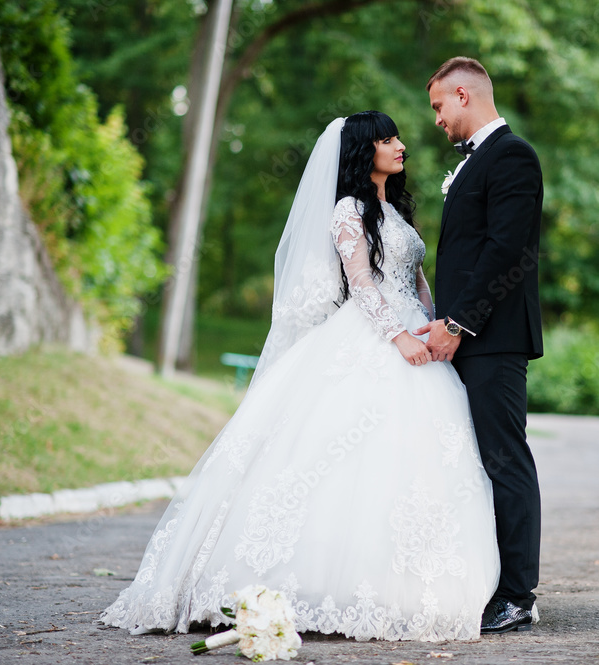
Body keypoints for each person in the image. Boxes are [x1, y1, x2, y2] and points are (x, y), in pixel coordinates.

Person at [100, 111, 501, 642]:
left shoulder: (394, 211)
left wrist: (429, 325)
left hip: (416, 336)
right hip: (372, 336)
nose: (401, 145)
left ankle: (403, 586)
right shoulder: (347, 210)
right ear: (364, 151)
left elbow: (415, 279)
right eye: (388, 139)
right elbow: (361, 283)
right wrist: (398, 337)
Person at [414, 57, 544, 634]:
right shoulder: (473, 162)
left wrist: (459, 322)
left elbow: (507, 250)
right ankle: (487, 583)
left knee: (503, 459)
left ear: (463, 95)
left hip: (492, 339)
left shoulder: (512, 156)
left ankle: (518, 594)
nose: (438, 120)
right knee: (471, 461)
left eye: (440, 107)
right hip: (466, 339)